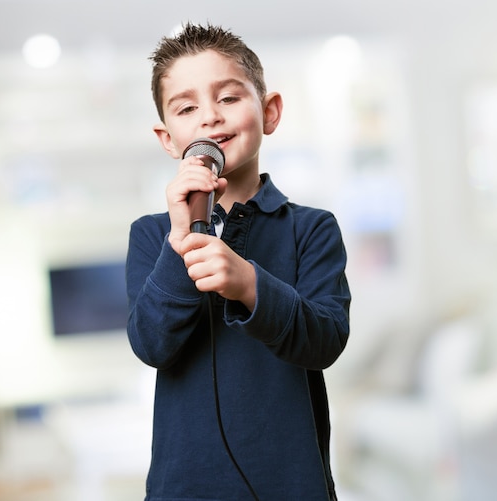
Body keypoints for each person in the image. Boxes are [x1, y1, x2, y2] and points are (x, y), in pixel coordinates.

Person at [125, 21, 351, 501]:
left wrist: (250, 284)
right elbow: (151, 345)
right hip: (182, 488)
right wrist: (180, 238)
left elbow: (326, 341)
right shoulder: (151, 235)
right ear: (168, 140)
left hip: (292, 485)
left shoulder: (311, 228)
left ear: (268, 112)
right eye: (187, 107)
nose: (209, 117)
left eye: (228, 98)